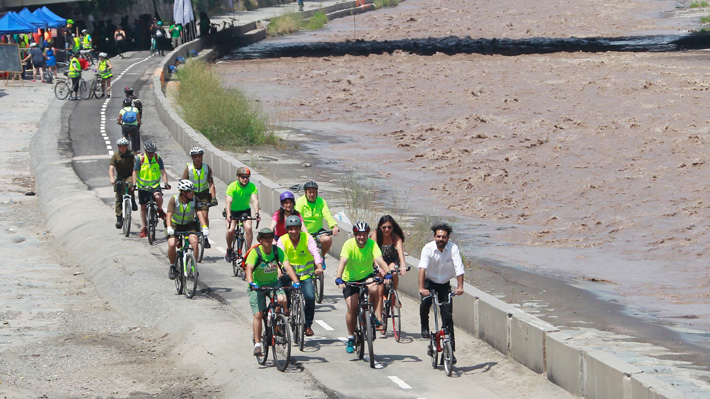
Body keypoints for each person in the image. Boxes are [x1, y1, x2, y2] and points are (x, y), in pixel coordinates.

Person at [335, 222, 394, 354]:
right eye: (359, 235)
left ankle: (371, 314)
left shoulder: (372, 244)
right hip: (350, 279)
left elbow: (379, 259)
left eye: (364, 235)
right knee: (352, 307)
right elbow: (343, 261)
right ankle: (351, 336)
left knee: (374, 288)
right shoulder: (348, 245)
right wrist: (339, 277)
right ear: (355, 235)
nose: (362, 237)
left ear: (367, 235)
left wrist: (388, 272)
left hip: (367, 276)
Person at [246, 228, 299, 356]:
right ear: (260, 240)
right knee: (258, 315)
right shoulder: (255, 252)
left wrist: (296, 282)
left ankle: (279, 324)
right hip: (257, 285)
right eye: (265, 238)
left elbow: (287, 266)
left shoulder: (277, 251)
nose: (268, 240)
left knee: (282, 300)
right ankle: (258, 345)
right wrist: (251, 283)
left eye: (270, 237)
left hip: (273, 283)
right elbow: (249, 268)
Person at [418, 222, 465, 364]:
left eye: (444, 237)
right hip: (429, 282)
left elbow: (459, 268)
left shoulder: (453, 248)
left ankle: (450, 352)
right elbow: (422, 269)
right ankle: (424, 326)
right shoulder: (428, 248)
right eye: (438, 236)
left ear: (448, 238)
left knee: (447, 317)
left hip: (444, 284)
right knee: (425, 303)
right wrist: (421, 288)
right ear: (434, 237)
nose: (441, 239)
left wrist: (460, 287)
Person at [277, 215, 323, 337]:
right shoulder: (282, 240)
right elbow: (278, 257)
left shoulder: (307, 238)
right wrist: (279, 270)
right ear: (287, 229)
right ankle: (280, 324)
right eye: (291, 229)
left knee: (310, 297)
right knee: (282, 299)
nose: (294, 232)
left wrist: (318, 266)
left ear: (300, 229)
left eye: (296, 228)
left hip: (304, 275)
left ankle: (307, 325)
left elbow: (315, 252)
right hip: (287, 275)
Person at [370, 215, 408, 323]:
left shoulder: (395, 236)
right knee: (380, 289)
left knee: (394, 273)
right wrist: (378, 268)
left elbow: (400, 251)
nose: (387, 230)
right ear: (380, 227)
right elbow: (373, 254)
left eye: (389, 227)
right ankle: (379, 318)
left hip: (391, 260)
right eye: (384, 227)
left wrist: (403, 265)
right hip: (378, 261)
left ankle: (394, 296)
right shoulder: (375, 235)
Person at [132, 140, 170, 238]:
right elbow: (135, 172)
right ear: (145, 151)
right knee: (143, 207)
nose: (150, 154)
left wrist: (166, 183)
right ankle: (144, 228)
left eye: (152, 152)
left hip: (154, 186)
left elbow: (163, 172)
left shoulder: (157, 158)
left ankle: (160, 210)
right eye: (149, 152)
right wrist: (134, 184)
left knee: (158, 197)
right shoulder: (140, 159)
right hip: (142, 187)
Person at [181, 147, 217, 247]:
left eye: (199, 156)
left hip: (204, 194)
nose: (198, 159)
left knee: (204, 215)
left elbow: (211, 183)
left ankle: (205, 237)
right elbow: (182, 183)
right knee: (189, 215)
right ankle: (188, 235)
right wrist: (183, 197)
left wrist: (213, 197)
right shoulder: (188, 168)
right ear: (192, 158)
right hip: (191, 194)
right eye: (195, 157)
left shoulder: (207, 168)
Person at [294, 181, 340, 258]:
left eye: (314, 192)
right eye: (310, 192)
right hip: (303, 231)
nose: (312, 194)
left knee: (327, 239)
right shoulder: (300, 201)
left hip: (318, 232)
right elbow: (298, 217)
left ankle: (321, 257)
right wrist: (305, 232)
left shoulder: (321, 201)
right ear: (305, 192)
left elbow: (327, 215)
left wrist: (334, 226)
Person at [166, 179, 200, 280]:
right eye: (190, 192)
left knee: (194, 242)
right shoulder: (174, 199)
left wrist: (205, 227)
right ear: (184, 193)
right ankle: (172, 266)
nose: (192, 193)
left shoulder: (195, 199)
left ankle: (194, 266)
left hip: (188, 224)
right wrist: (169, 227)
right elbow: (169, 215)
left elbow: (199, 213)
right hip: (175, 224)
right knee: (172, 244)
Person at [225, 166, 260, 263]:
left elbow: (255, 200)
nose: (245, 179)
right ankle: (229, 249)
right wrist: (228, 215)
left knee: (248, 228)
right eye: (243, 177)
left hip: (244, 211)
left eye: (247, 177)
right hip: (232, 211)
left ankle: (249, 252)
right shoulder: (232, 186)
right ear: (238, 177)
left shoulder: (252, 187)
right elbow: (228, 202)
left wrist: (257, 213)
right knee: (231, 229)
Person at [109, 137, 138, 229]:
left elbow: (136, 166)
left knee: (130, 187)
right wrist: (112, 178)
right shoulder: (115, 156)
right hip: (120, 177)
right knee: (118, 196)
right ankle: (119, 218)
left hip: (130, 175)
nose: (123, 148)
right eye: (121, 147)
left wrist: (134, 179)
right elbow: (111, 168)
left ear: (126, 147)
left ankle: (132, 200)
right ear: (118, 147)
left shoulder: (131, 154)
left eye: (124, 147)